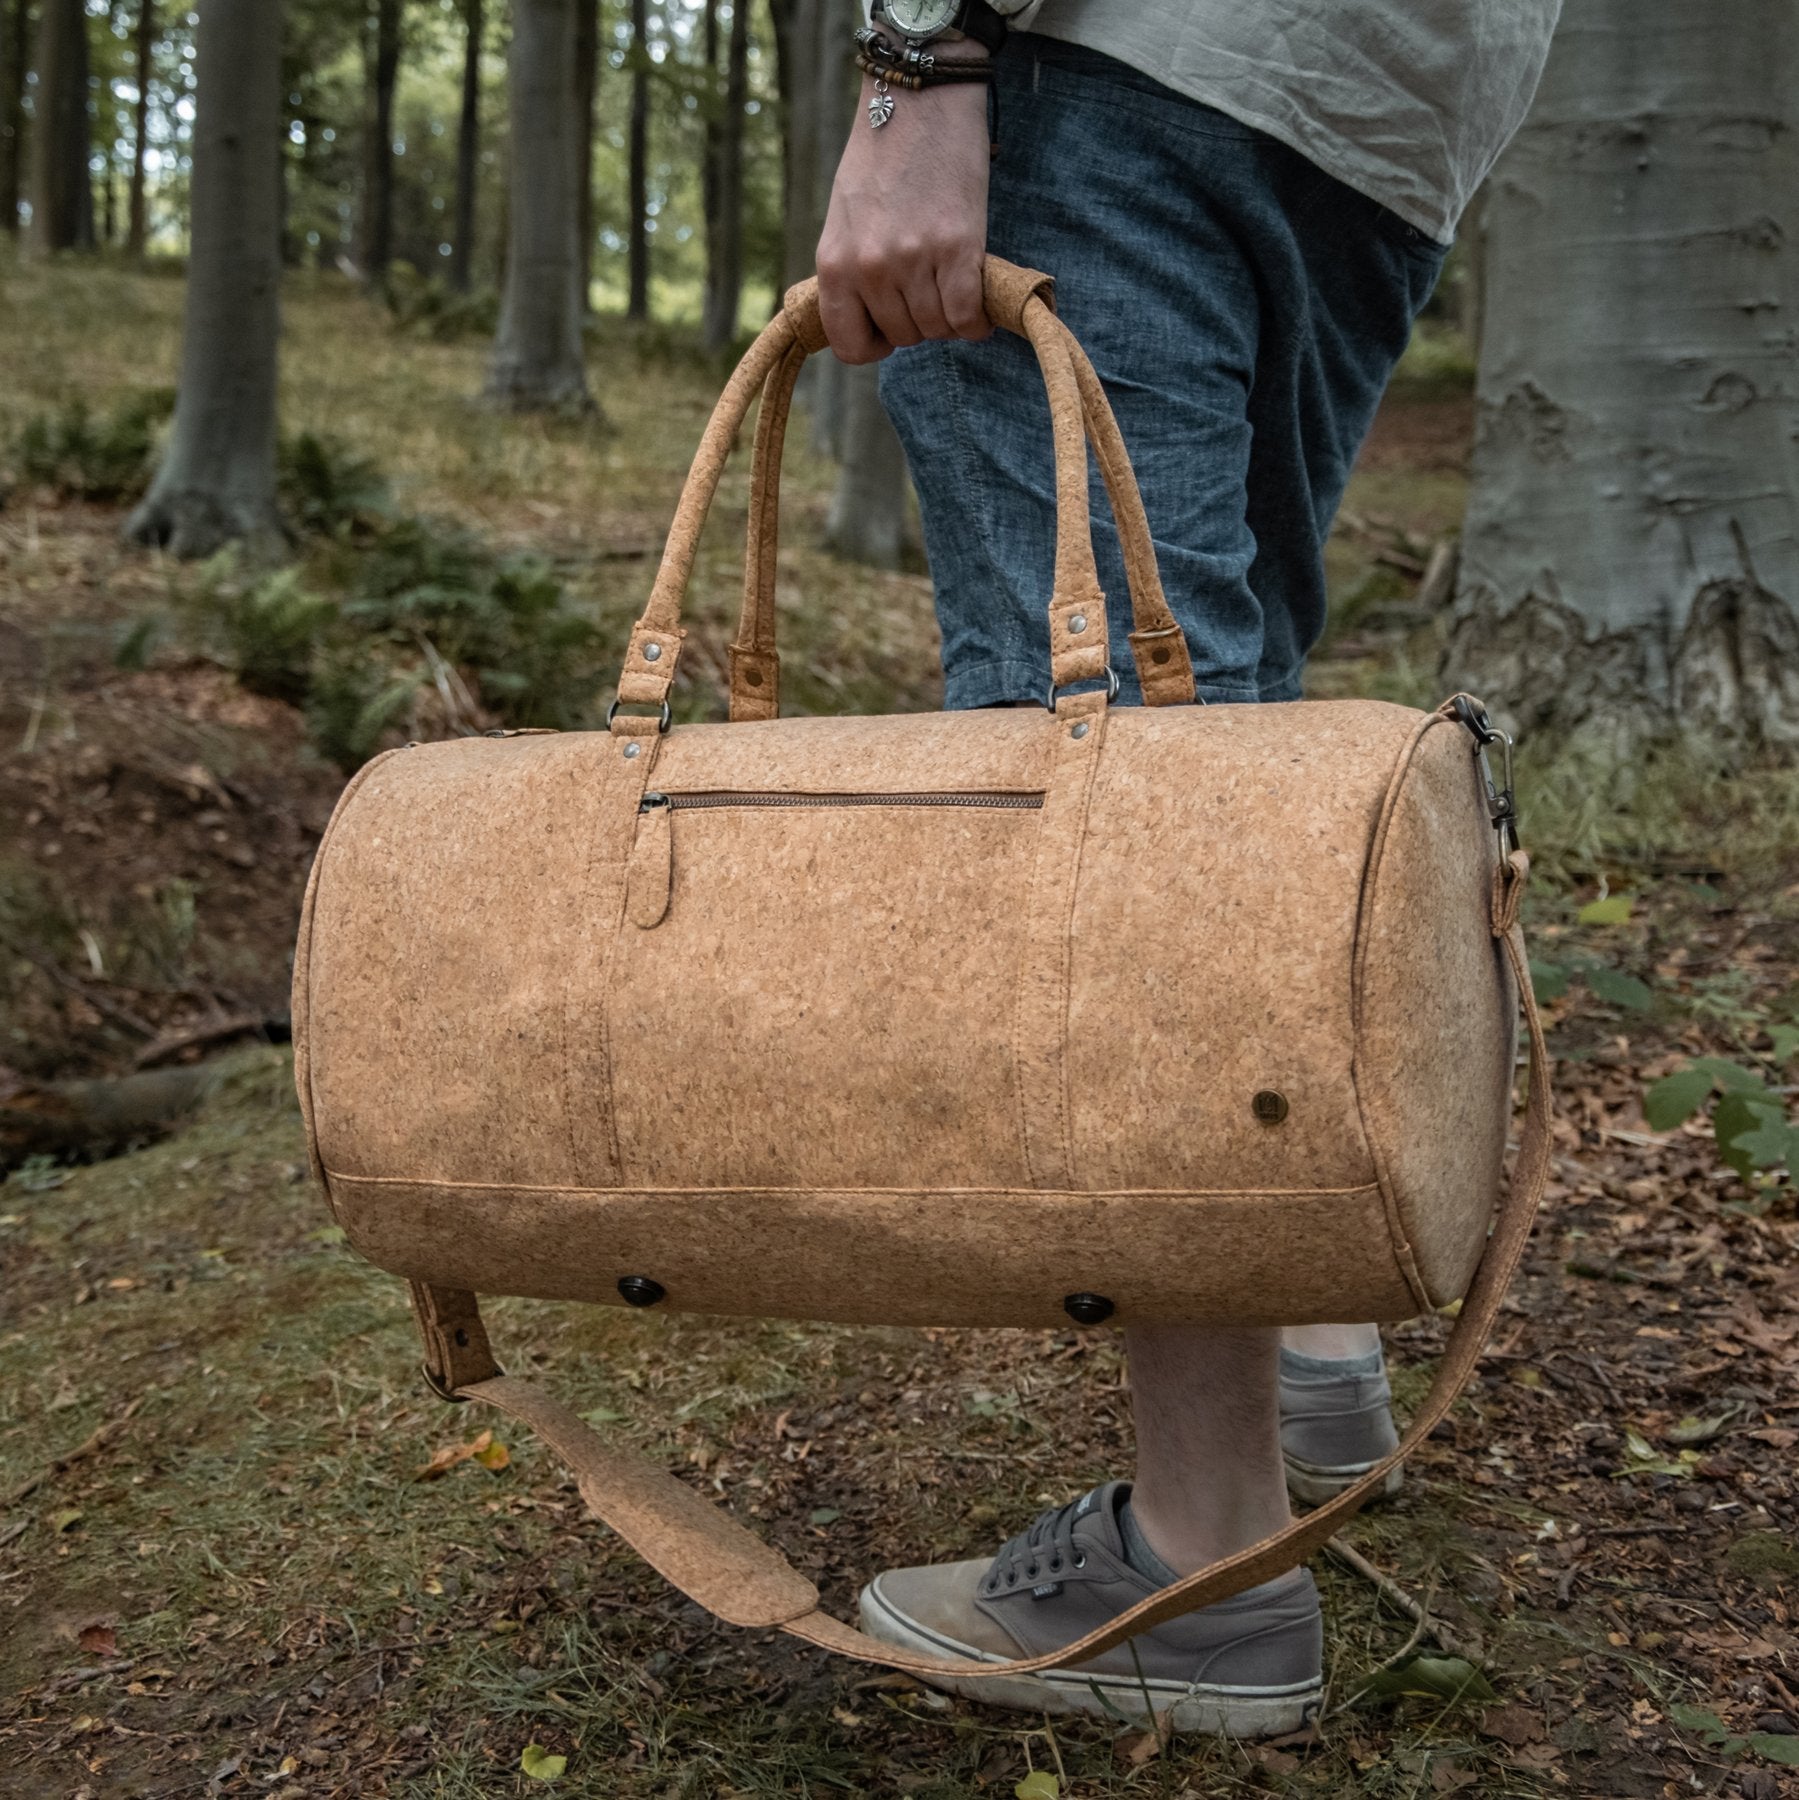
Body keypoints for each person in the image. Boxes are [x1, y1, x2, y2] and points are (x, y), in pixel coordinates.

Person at [815, 0, 1560, 1736]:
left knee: (1113, 804)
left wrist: (917, 61)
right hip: (1396, 101)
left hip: (1139, 55)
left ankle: (1198, 1560)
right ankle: (1308, 1349)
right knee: (1214, 733)